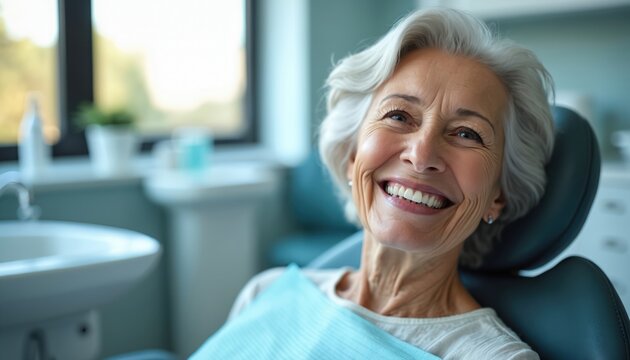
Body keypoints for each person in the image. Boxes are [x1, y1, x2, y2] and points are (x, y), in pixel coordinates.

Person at [193, 7, 554, 359]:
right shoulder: (265, 292)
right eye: (398, 115)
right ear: (352, 156)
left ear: (498, 195)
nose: (422, 154)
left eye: (466, 133)